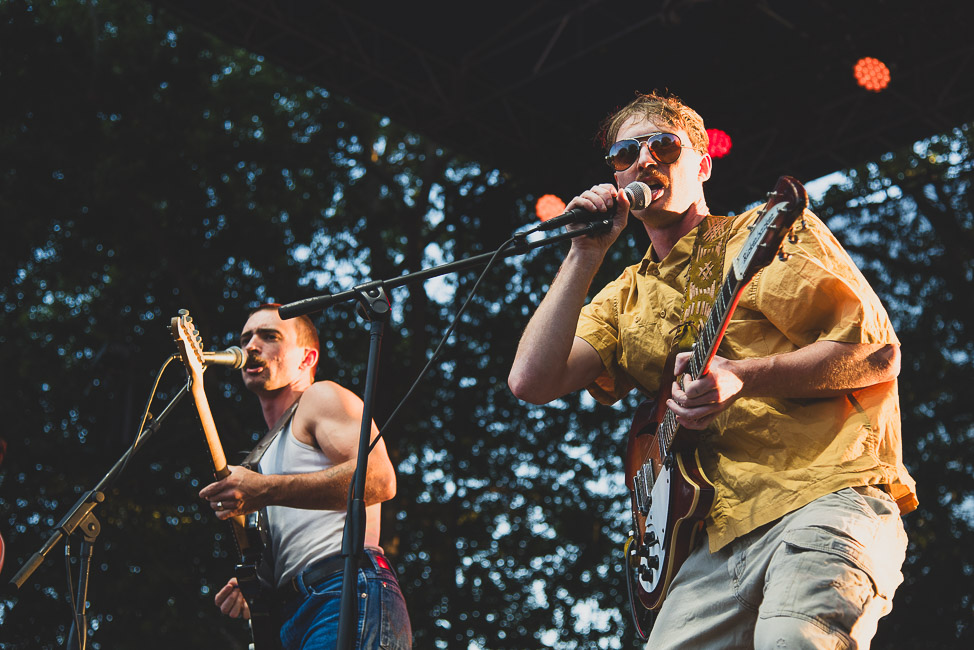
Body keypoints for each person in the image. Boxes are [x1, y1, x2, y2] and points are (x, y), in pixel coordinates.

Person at [508, 92, 917, 648]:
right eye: (625, 153)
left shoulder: (761, 234)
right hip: (709, 542)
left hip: (821, 496)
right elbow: (531, 381)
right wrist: (585, 254)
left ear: (702, 164)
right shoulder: (625, 294)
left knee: (797, 640)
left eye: (663, 145)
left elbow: (878, 355)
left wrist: (746, 375)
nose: (644, 160)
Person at [199, 304, 411, 649]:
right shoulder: (266, 453)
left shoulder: (320, 396)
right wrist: (259, 585)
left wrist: (265, 490)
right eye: (246, 337)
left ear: (307, 359)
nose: (251, 345)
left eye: (270, 336)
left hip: (340, 590)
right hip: (293, 610)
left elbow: (379, 477)